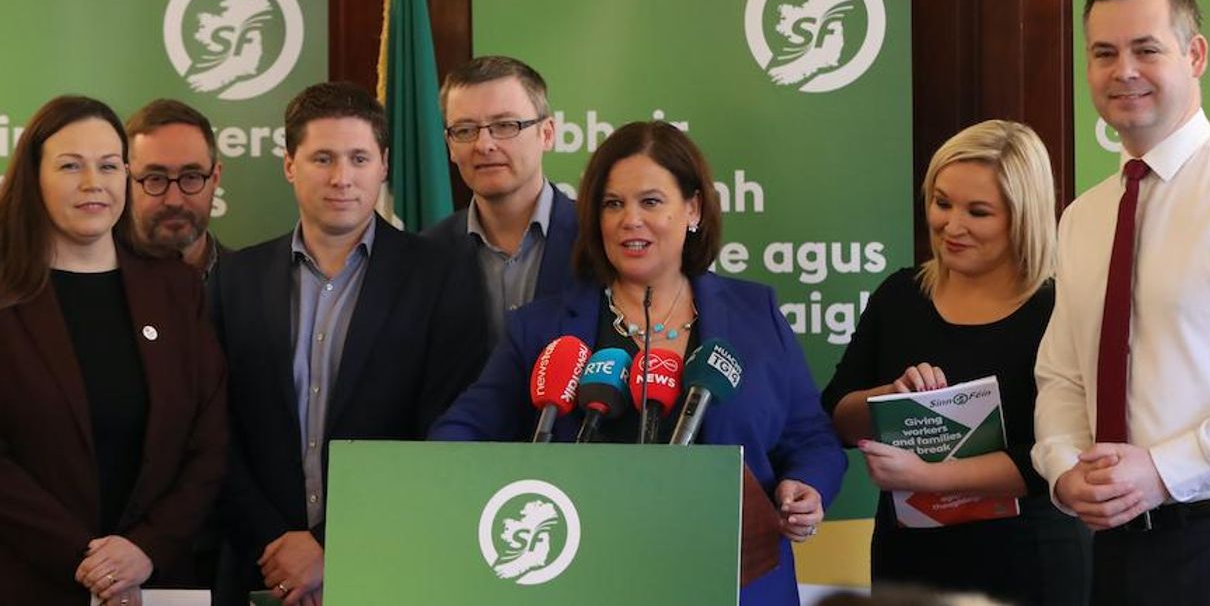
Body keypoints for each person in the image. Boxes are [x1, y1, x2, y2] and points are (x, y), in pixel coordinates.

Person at [431, 120, 845, 606]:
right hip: (585, 585)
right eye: (612, 204)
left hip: (737, 583)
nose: (630, 220)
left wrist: (806, 486)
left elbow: (812, 437)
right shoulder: (541, 329)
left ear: (692, 209)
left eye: (650, 201)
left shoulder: (755, 315)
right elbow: (457, 438)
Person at [211, 82, 488, 605]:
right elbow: (213, 430)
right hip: (258, 566)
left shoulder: (441, 276)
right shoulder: (235, 279)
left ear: (383, 164)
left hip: (388, 561)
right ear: (289, 164)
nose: (342, 178)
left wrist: (326, 546)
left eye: (359, 158)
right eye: (322, 158)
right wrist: (277, 542)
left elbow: (443, 433)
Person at [1032, 0, 1210, 606]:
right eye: (1104, 53)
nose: (1123, 70)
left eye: (1146, 49)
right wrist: (1064, 465)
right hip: (1114, 549)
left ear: (1195, 54)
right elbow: (1063, 375)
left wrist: (1162, 470)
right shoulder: (1084, 217)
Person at [822, 120, 1089, 605]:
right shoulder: (900, 296)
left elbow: (1057, 454)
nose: (952, 225)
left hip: (1030, 557)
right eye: (941, 203)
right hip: (911, 559)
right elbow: (838, 419)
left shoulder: (1059, 308)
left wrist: (931, 479)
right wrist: (889, 397)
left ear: (1022, 217)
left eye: (979, 212)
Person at [0, 95, 227, 605]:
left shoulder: (175, 287)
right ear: (33, 177)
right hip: (29, 581)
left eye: (107, 166)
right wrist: (92, 563)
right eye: (70, 166)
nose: (92, 184)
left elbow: (209, 443)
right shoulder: (6, 295)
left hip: (158, 579)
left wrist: (145, 548)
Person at [423, 56, 578, 351]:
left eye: (505, 125)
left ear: (546, 134)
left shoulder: (599, 238)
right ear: (450, 146)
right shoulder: (427, 255)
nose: (484, 145)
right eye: (466, 130)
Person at [126, 99, 226, 277]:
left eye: (191, 177)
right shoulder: (95, 287)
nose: (174, 201)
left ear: (215, 178)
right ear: (125, 180)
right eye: (155, 179)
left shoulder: (254, 287)